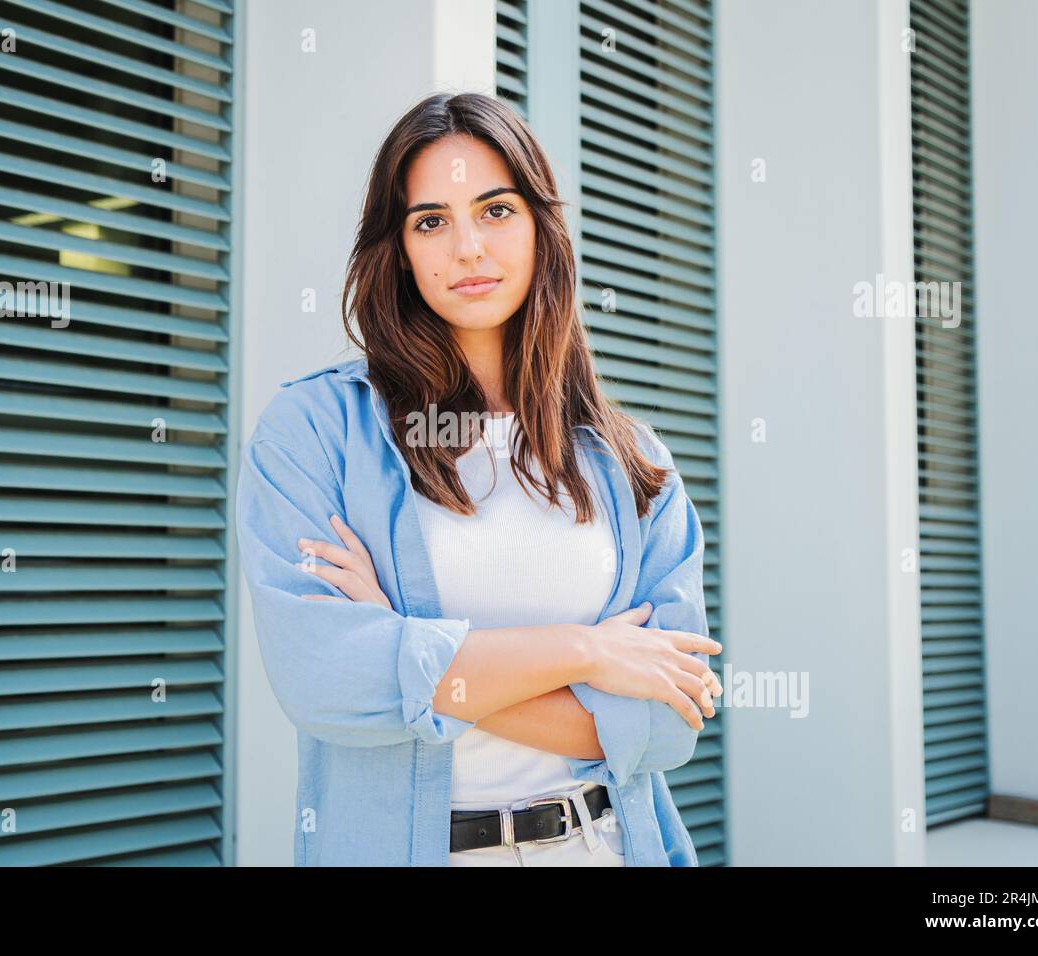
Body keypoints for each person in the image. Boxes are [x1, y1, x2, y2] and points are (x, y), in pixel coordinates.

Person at [236, 91, 721, 867]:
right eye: (431, 221)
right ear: (397, 249)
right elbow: (324, 680)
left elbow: (664, 726)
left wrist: (405, 646)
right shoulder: (315, 432)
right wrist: (588, 653)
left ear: (540, 228)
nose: (467, 248)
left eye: (495, 210)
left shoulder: (631, 460)